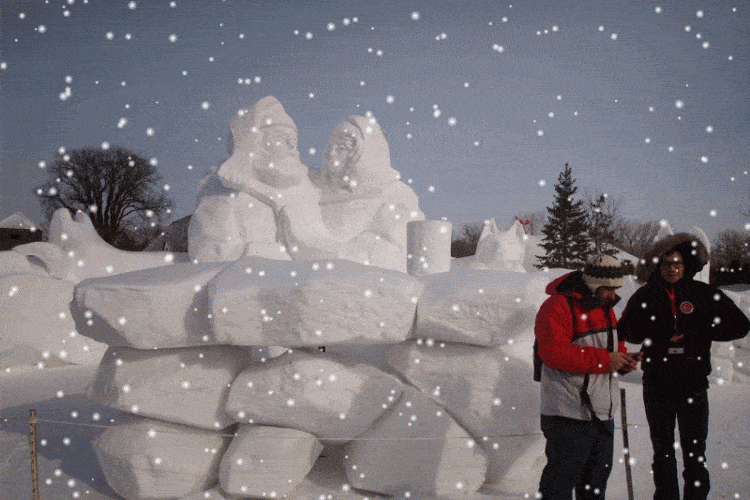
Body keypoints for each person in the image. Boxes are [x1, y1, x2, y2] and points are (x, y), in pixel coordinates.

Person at [617, 233, 749, 500]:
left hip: (693, 382)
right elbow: (627, 332)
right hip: (658, 383)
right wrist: (649, 327)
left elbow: (740, 325)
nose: (672, 268)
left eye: (677, 263)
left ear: (686, 265)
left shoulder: (703, 294)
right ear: (658, 266)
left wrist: (705, 329)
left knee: (695, 451)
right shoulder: (647, 294)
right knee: (662, 450)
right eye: (666, 263)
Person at [536, 254, 640, 499]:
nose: (614, 295)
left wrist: (622, 361)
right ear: (593, 284)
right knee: (559, 484)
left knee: (594, 485)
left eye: (616, 289)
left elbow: (613, 347)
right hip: (568, 413)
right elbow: (552, 353)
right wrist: (606, 360)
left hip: (602, 411)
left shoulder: (606, 308)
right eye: (608, 288)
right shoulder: (558, 306)